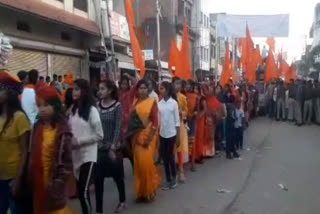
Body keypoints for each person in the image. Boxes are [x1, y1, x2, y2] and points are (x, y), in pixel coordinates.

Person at [29, 86, 73, 214]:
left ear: (55, 106)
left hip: (54, 183)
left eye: (46, 105)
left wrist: (57, 184)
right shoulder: (37, 127)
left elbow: (66, 162)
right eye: (39, 105)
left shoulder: (62, 130)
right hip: (38, 181)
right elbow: (31, 153)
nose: (42, 109)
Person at [68, 79, 104, 214]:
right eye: (73, 89)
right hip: (75, 156)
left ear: (84, 91)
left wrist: (80, 141)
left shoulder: (92, 110)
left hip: (88, 156)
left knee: (83, 192)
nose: (74, 92)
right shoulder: (72, 110)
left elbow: (100, 135)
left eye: (77, 89)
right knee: (82, 193)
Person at [0, 71, 31, 214]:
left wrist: (19, 179)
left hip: (14, 178)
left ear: (9, 93)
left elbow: (25, 151)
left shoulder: (20, 118)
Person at [125, 80, 159, 202]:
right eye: (140, 88)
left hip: (148, 137)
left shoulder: (152, 102)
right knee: (139, 167)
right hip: (135, 138)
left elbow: (155, 122)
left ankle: (150, 191)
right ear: (137, 90)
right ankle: (141, 193)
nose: (142, 90)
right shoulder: (134, 102)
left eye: (145, 88)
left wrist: (148, 138)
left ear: (148, 89)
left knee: (146, 165)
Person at [96, 81, 126, 214]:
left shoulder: (117, 106)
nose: (100, 91)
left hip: (113, 148)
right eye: (99, 89)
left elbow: (118, 127)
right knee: (98, 180)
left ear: (109, 91)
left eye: (102, 89)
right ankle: (99, 210)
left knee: (117, 177)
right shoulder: (97, 106)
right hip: (99, 148)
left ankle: (122, 201)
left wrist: (113, 147)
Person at [158, 82, 180, 190]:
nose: (160, 91)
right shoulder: (159, 103)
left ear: (166, 90)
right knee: (165, 158)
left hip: (172, 134)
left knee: (170, 157)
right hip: (162, 134)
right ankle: (167, 179)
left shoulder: (174, 103)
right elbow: (158, 120)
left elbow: (177, 121)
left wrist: (178, 136)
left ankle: (174, 178)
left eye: (162, 88)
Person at [173, 78, 188, 183]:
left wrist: (181, 113)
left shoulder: (182, 97)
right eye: (176, 83)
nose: (178, 86)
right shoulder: (168, 97)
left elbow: (186, 111)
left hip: (180, 124)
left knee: (180, 146)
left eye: (179, 84)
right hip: (170, 125)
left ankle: (181, 170)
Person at [185, 80, 198, 171]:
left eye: (188, 85)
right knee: (183, 142)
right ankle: (183, 162)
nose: (187, 86)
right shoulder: (182, 95)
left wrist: (191, 115)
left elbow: (197, 110)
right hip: (184, 121)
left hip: (192, 121)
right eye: (186, 85)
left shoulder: (196, 97)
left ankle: (192, 162)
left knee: (192, 142)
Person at [225, 95, 240, 159]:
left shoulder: (227, 105)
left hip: (228, 123)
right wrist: (235, 118)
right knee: (231, 139)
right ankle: (231, 153)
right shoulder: (232, 106)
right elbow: (233, 115)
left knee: (229, 139)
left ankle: (231, 152)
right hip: (231, 124)